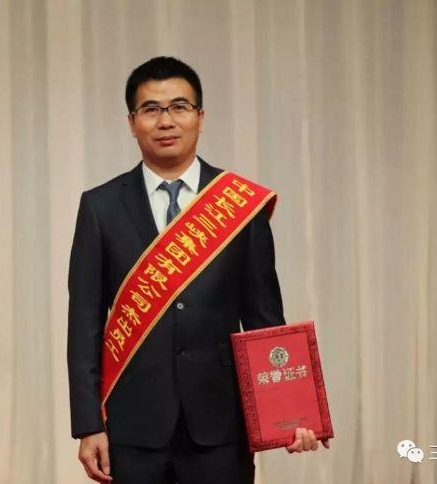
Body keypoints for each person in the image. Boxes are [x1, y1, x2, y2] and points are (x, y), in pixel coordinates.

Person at [67, 56, 328, 484]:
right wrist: (87, 424)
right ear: (132, 122)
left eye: (179, 107)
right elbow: (84, 325)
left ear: (200, 117)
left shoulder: (240, 205)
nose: (166, 120)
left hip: (221, 426)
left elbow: (263, 318)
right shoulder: (100, 206)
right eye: (151, 109)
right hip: (132, 427)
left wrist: (289, 409)